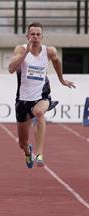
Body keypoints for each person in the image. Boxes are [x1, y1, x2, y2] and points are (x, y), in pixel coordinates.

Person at [8, 22, 75, 168]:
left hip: (41, 95)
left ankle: (39, 154)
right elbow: (11, 69)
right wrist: (26, 52)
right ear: (27, 36)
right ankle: (28, 151)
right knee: (22, 143)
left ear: (42, 37)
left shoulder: (49, 51)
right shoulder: (20, 49)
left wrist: (61, 79)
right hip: (22, 100)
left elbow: (57, 61)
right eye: (32, 34)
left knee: (39, 112)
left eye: (38, 34)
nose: (35, 37)